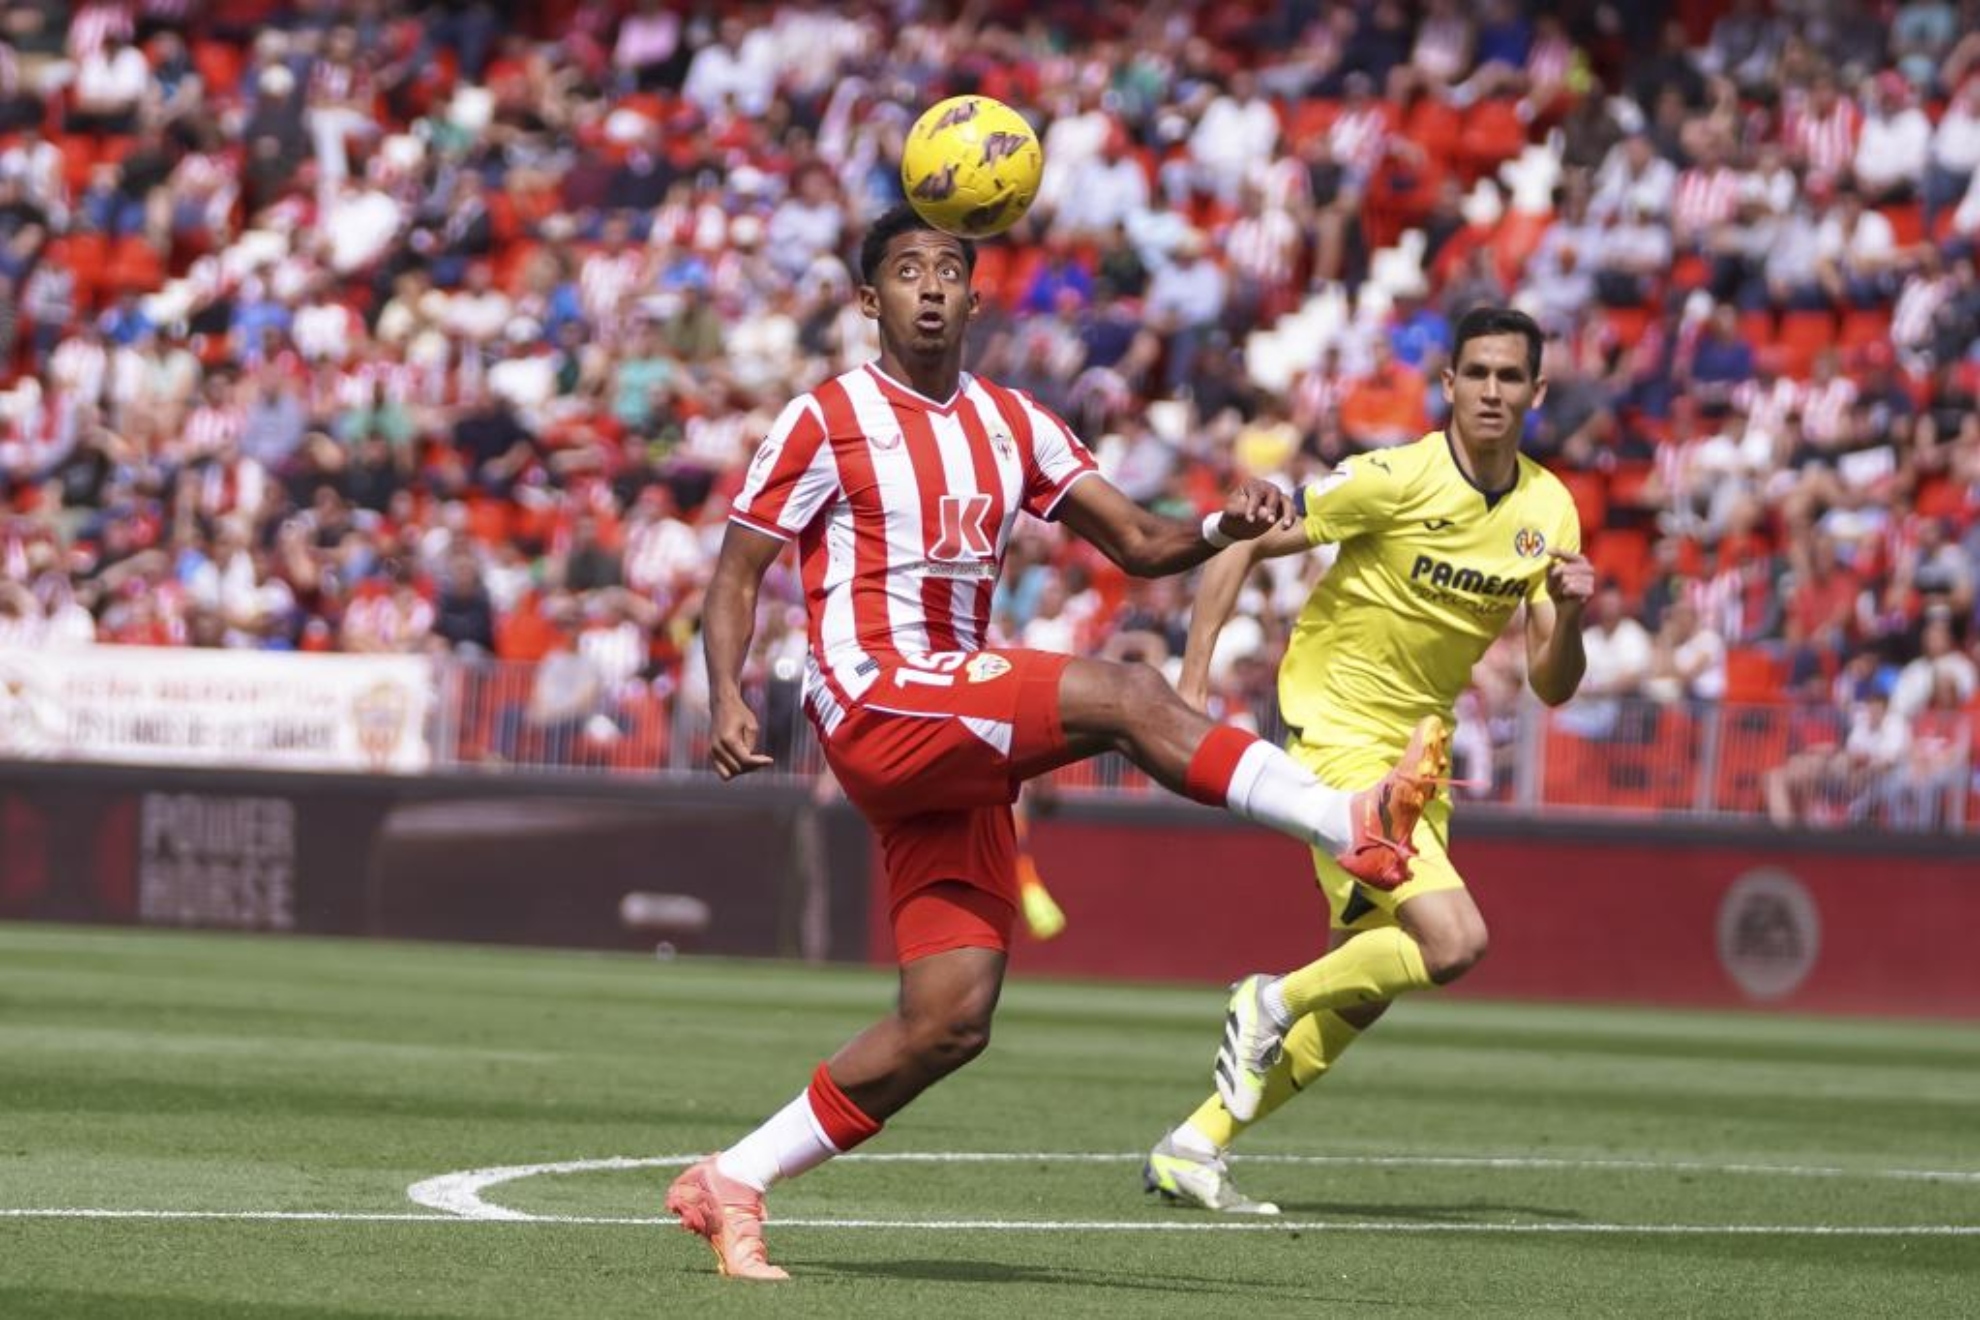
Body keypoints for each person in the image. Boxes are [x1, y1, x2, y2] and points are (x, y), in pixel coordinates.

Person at [665, 206, 1449, 1280]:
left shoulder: (1014, 424)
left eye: (949, 269)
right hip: (878, 698)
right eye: (907, 271)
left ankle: (732, 1180)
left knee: (949, 1020)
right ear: (868, 301)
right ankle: (1347, 820)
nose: (931, 286)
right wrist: (725, 695)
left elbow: (1139, 541)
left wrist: (1225, 524)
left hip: (949, 734)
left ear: (977, 299)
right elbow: (736, 574)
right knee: (1128, 693)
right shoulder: (825, 418)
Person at [1142, 307, 1595, 1215]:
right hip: (1337, 737)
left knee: (1370, 984)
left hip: (1419, 762)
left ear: (1537, 392)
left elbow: (1552, 685)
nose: (1493, 391)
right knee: (1455, 940)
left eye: (1511, 377)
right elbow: (1244, 538)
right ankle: (1268, 1001)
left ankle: (1195, 1144)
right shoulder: (1394, 477)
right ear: (1450, 385)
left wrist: (1571, 614)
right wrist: (1190, 685)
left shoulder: (1549, 509)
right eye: (1478, 374)